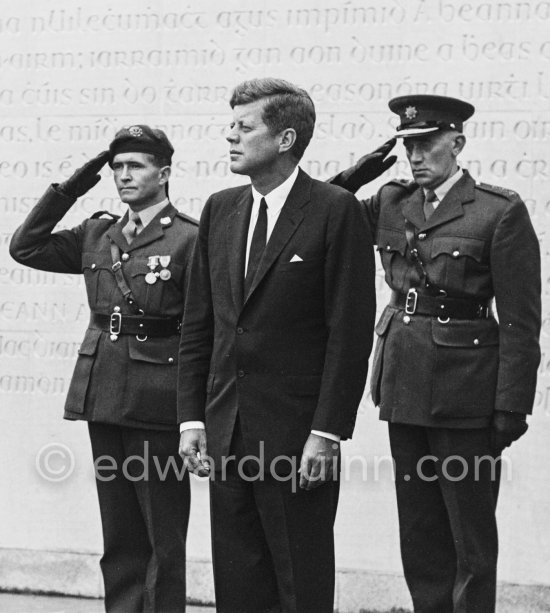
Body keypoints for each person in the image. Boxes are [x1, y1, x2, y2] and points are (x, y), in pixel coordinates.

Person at [331, 95, 541, 613]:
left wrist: (511, 405)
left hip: (465, 391)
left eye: (426, 144)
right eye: (408, 146)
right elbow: (320, 215)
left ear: (457, 143)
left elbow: (521, 320)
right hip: (402, 381)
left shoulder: (498, 210)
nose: (415, 156)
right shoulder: (390, 201)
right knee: (420, 530)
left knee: (468, 535)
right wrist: (354, 176)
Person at [177, 78, 376, 613]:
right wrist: (192, 419)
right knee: (238, 587)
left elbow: (350, 334)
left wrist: (327, 431)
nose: (230, 137)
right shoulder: (220, 209)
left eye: (245, 127)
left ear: (285, 138)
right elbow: (201, 324)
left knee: (300, 583)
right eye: (230, 126)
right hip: (227, 431)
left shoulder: (336, 210)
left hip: (296, 437)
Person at [9, 126, 197, 613]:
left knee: (161, 535)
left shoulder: (188, 238)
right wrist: (70, 188)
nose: (123, 175)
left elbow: (204, 328)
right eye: (116, 167)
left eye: (135, 165)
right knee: (119, 535)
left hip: (159, 395)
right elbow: (25, 247)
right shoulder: (99, 232)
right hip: (104, 391)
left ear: (165, 173)